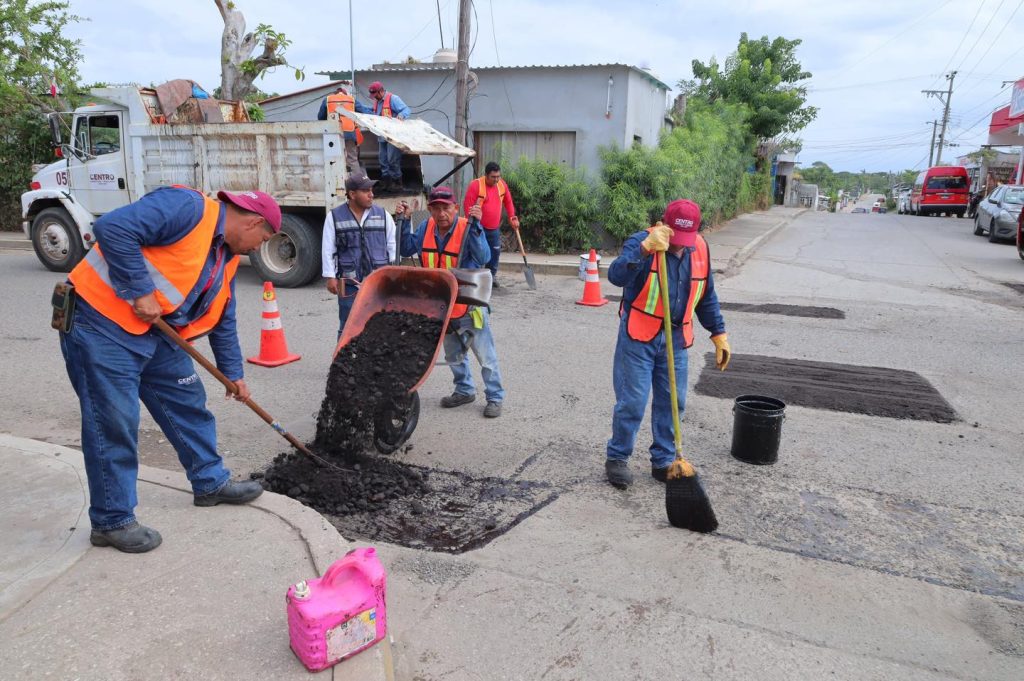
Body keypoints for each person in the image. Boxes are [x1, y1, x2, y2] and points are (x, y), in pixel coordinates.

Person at [60, 186, 281, 553]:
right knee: (113, 421)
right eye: (264, 238)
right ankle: (112, 520)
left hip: (156, 332)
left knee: (187, 400)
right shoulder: (187, 208)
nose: (260, 247)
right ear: (255, 221)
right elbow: (112, 228)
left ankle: (210, 482)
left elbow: (223, 316)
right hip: (102, 323)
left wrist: (233, 374)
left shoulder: (225, 256)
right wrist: (140, 289)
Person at [604, 199, 731, 490]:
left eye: (687, 240)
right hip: (640, 335)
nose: (680, 247)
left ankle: (662, 460)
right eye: (676, 239)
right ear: (664, 225)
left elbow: (706, 294)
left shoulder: (699, 249)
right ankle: (617, 457)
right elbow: (615, 276)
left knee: (673, 402)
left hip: (676, 337)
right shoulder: (642, 241)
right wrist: (645, 249)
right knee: (632, 402)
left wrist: (718, 333)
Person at [399, 186, 506, 417]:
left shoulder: (467, 227)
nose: (441, 213)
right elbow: (405, 247)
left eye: (446, 208)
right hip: (443, 307)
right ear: (429, 210)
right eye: (436, 208)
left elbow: (483, 258)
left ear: (455, 208)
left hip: (470, 306)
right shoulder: (425, 228)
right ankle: (464, 389)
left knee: (485, 356)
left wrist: (477, 227)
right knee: (454, 355)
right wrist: (404, 221)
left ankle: (495, 397)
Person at [322, 173, 399, 337]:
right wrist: (330, 277)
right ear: (352, 194)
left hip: (379, 282)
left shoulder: (383, 215)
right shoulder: (334, 217)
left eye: (371, 190)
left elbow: (392, 244)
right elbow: (328, 248)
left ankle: (375, 361)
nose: (371, 195)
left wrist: (394, 275)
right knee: (348, 324)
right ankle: (342, 361)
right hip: (349, 282)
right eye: (366, 191)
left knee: (380, 323)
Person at [462, 161, 519, 287]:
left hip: (494, 229)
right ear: (486, 175)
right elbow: (468, 206)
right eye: (493, 177)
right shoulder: (475, 185)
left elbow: (508, 201)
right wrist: (472, 226)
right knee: (476, 253)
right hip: (478, 228)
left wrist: (512, 217)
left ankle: (491, 277)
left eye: (498, 176)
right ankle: (474, 277)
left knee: (495, 253)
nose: (496, 179)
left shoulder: (501, 185)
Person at [366, 81, 411, 193]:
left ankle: (397, 182)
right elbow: (375, 113)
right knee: (383, 160)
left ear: (381, 91)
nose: (374, 97)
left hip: (393, 135)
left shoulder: (393, 99)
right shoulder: (377, 101)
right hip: (382, 135)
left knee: (392, 159)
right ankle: (387, 182)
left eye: (375, 94)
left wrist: (401, 115)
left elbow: (406, 110)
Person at [317, 85, 372, 174]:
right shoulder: (351, 100)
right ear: (345, 94)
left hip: (332, 134)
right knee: (352, 159)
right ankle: (356, 182)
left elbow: (320, 118)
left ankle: (336, 181)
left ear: (335, 93)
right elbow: (364, 112)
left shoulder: (327, 100)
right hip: (349, 132)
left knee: (333, 158)